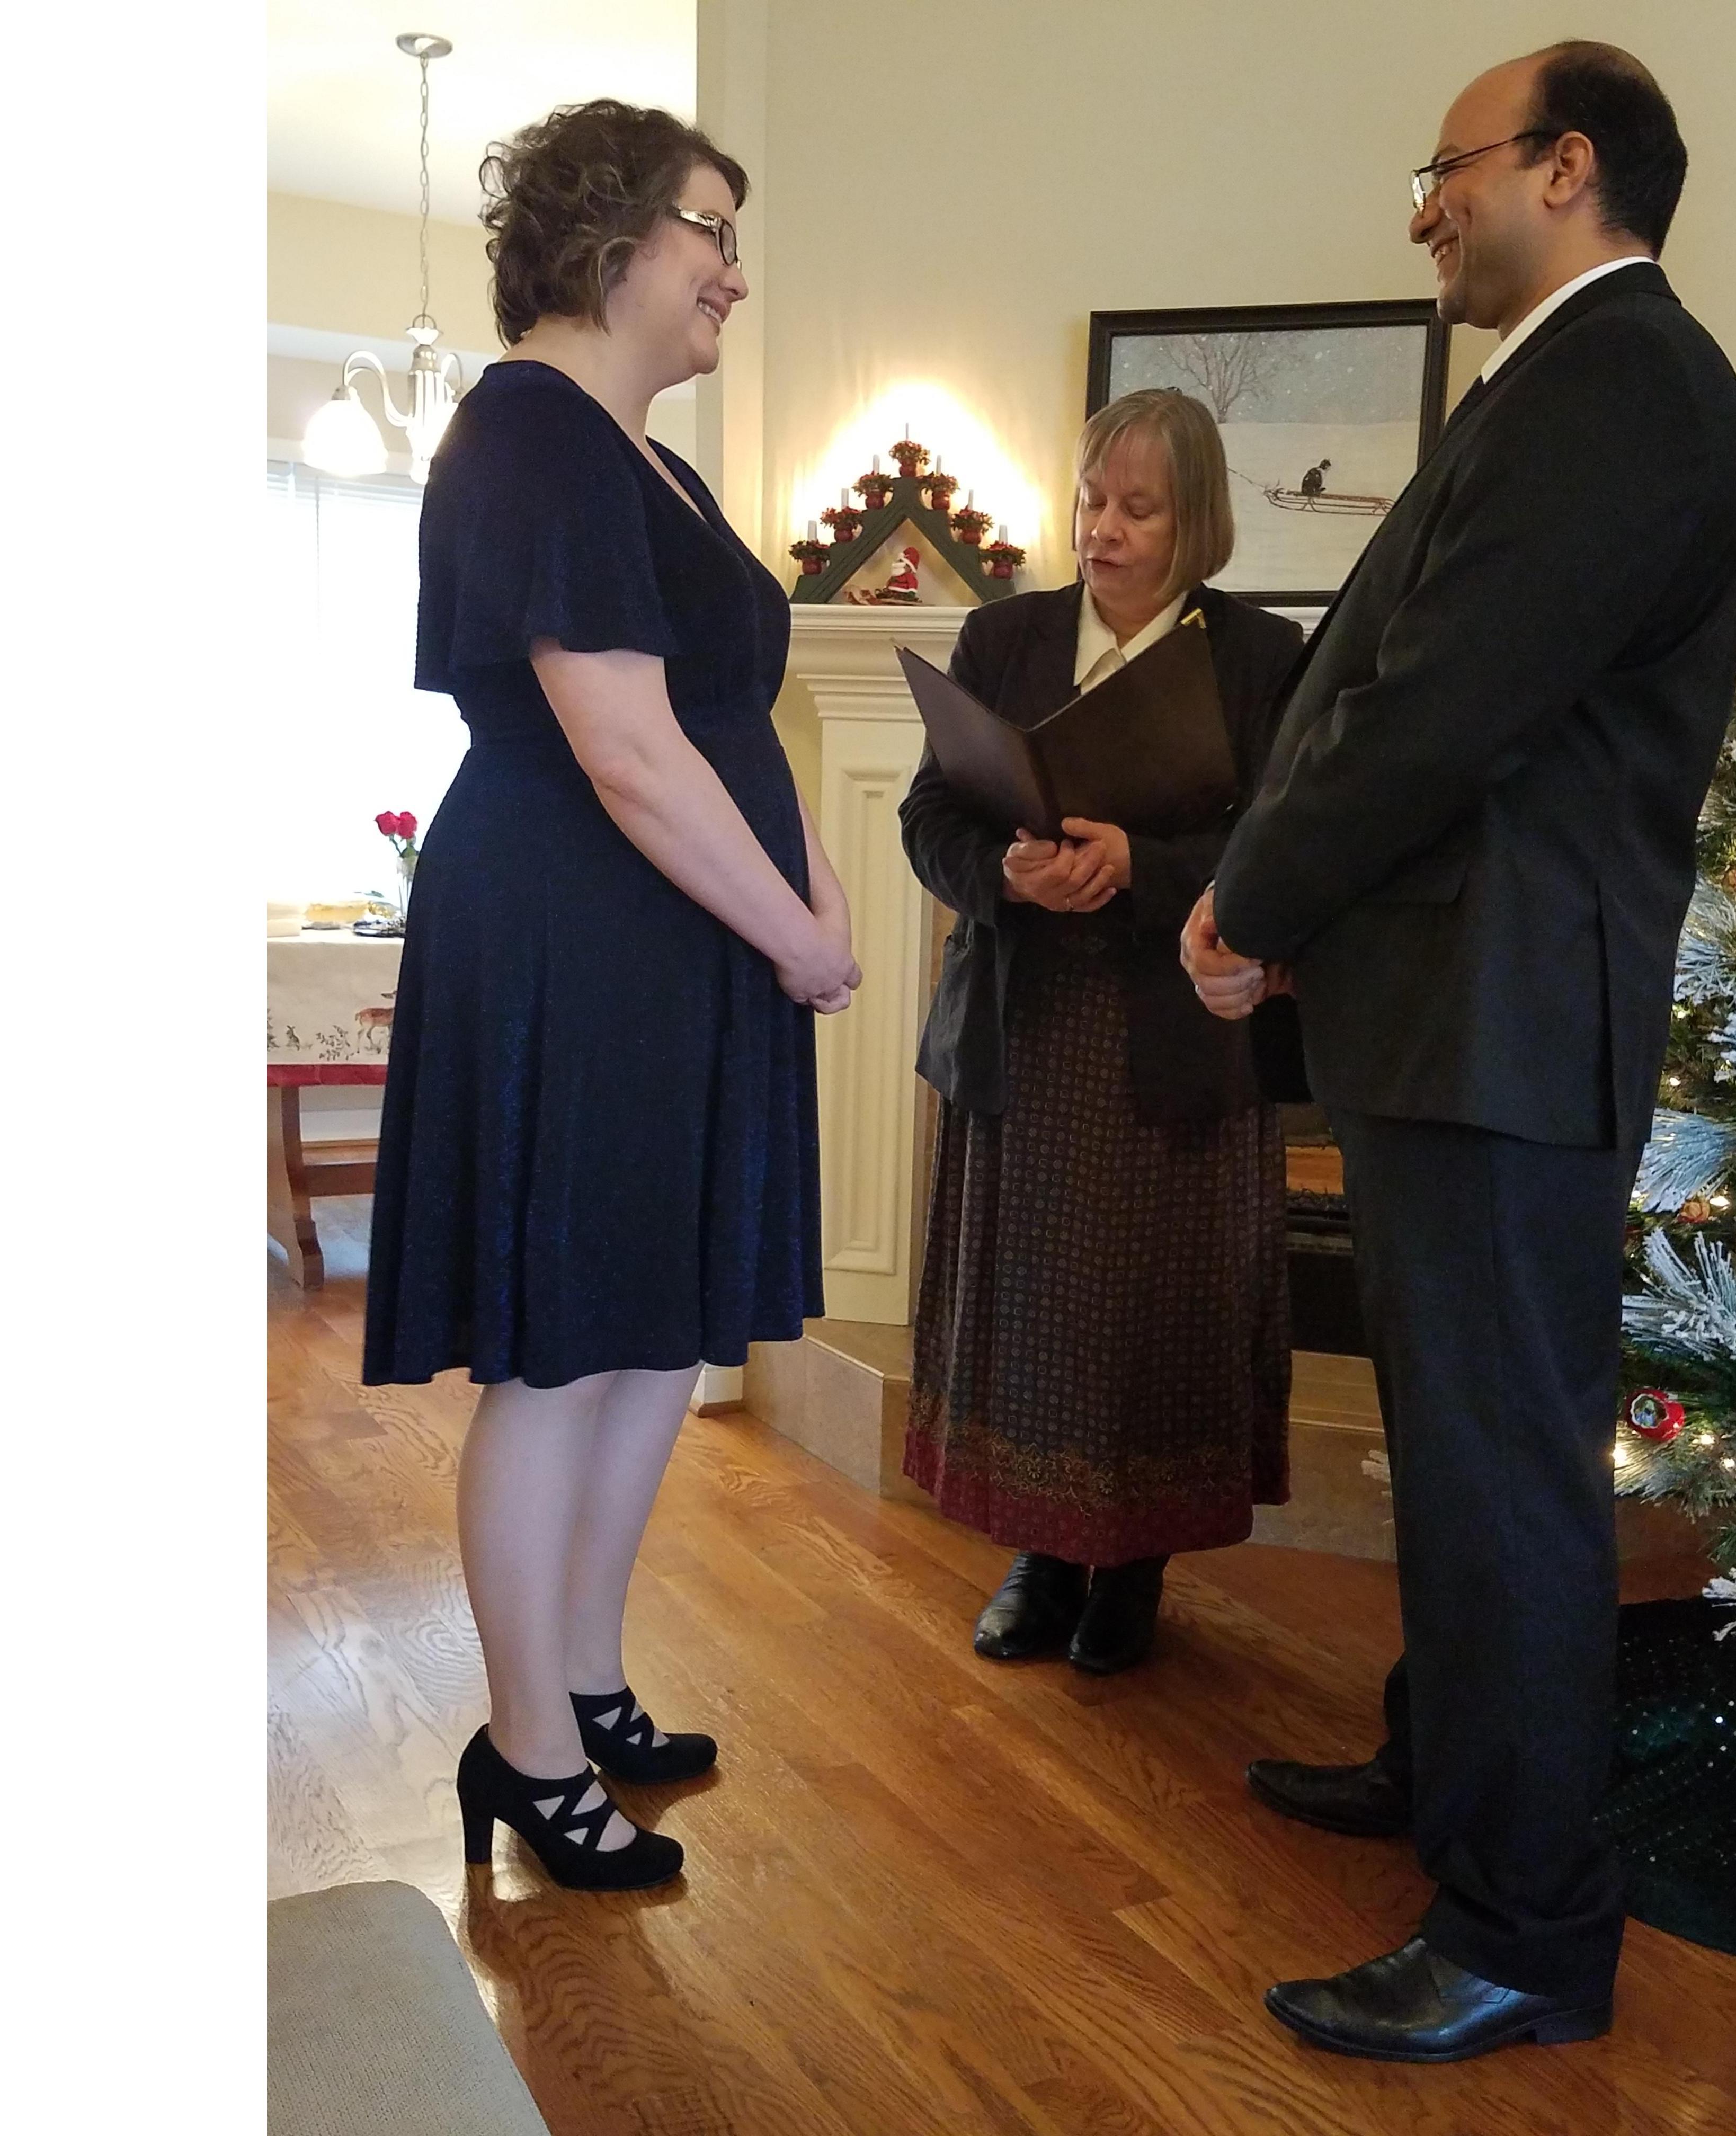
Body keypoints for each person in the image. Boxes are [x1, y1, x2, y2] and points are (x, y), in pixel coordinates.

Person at [1184, 43, 1736, 2064]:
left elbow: (1440, 708)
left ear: (1566, 166)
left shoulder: (1630, 382)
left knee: (1506, 1476)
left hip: (1506, 1021)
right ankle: (1450, 1773)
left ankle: (1524, 1927)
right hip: (1459, 1009)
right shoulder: (1574, 383)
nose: (1423, 208)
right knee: (1453, 1447)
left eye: (1444, 171)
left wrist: (1253, 900)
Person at [362, 100, 859, 1892]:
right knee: (562, 1354)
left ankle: (581, 1680)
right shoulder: (533, 440)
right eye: (711, 228)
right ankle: (529, 1749)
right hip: (579, 932)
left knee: (650, 1336)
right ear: (608, 238)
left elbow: (724, 723)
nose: (734, 269)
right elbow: (629, 754)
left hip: (667, 938)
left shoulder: (649, 463)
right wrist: (796, 934)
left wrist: (810, 874)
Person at [900, 389, 1304, 1675]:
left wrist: (1146, 862)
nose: (1106, 531)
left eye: (1141, 508)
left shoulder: (1259, 660)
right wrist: (1005, 875)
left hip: (1177, 1036)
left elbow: (1281, 850)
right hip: (1025, 1029)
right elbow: (930, 820)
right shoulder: (1004, 638)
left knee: (1156, 1308)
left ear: (1200, 522)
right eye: (1091, 501)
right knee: (1033, 1308)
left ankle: (1134, 1568)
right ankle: (1041, 1550)